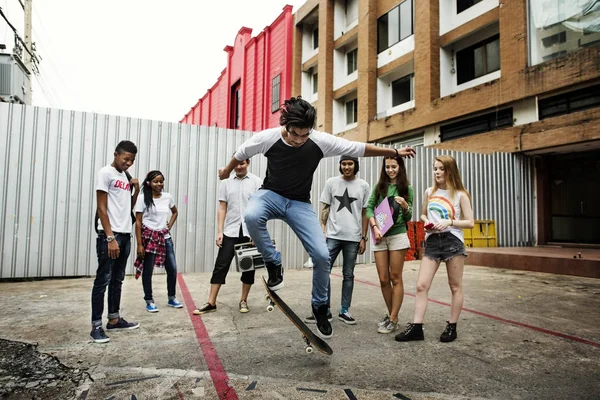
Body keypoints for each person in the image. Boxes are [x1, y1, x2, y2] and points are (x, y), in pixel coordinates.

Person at [217, 96, 416, 339]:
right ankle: (273, 261)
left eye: (305, 135)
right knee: (251, 215)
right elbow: (240, 153)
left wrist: (393, 150)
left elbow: (356, 149)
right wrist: (226, 171)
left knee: (322, 256)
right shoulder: (267, 137)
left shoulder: (319, 141)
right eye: (294, 135)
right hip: (270, 194)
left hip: (299, 204)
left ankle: (320, 306)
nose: (300, 140)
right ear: (286, 125)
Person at [395, 155, 474, 343]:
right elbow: (422, 215)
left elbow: (470, 222)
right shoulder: (429, 191)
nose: (437, 172)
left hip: (452, 241)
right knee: (421, 285)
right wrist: (427, 222)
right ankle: (416, 327)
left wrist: (449, 221)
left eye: (441, 169)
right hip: (431, 241)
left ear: (450, 171)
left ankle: (452, 326)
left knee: (455, 286)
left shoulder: (461, 194)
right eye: (435, 168)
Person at [304, 155, 370, 326]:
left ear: (356, 165)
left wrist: (363, 237)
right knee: (323, 271)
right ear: (340, 165)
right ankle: (323, 310)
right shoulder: (331, 182)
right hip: (332, 236)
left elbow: (365, 213)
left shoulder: (363, 186)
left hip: (353, 237)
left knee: (348, 275)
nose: (347, 167)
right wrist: (322, 230)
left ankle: (344, 310)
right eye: (344, 164)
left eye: (350, 164)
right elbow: (325, 207)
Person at [194, 158, 262, 315]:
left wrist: (256, 232)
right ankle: (211, 302)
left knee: (249, 267)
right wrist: (219, 231)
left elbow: (259, 209)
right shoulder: (225, 182)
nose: (239, 167)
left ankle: (243, 300)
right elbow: (222, 207)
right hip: (230, 230)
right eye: (236, 164)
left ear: (248, 163)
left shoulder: (256, 182)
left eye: (242, 164)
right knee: (221, 265)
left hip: (249, 231)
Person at [90, 140, 141, 344]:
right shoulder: (106, 173)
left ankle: (114, 319)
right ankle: (95, 326)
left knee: (117, 280)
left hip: (125, 234)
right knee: (103, 280)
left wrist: (136, 190)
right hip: (109, 236)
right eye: (125, 159)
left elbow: (126, 206)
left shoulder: (125, 176)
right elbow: (102, 208)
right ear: (116, 154)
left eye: (132, 160)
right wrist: (110, 237)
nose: (128, 163)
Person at [366, 156, 414, 334]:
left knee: (396, 278)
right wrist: (374, 227)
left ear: (400, 167)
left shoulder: (407, 189)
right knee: (383, 279)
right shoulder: (379, 187)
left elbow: (408, 218)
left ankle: (393, 318)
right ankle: (391, 314)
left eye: (394, 166)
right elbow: (369, 207)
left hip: (397, 236)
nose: (390, 170)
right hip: (379, 236)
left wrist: (405, 207)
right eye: (387, 167)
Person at [134, 170, 183, 313]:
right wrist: (139, 244)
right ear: (149, 183)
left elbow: (175, 212)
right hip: (149, 238)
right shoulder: (143, 198)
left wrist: (170, 225)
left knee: (172, 268)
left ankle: (172, 297)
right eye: (156, 181)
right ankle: (149, 300)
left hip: (164, 237)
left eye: (161, 181)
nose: (159, 184)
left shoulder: (167, 197)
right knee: (148, 270)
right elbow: (138, 222)